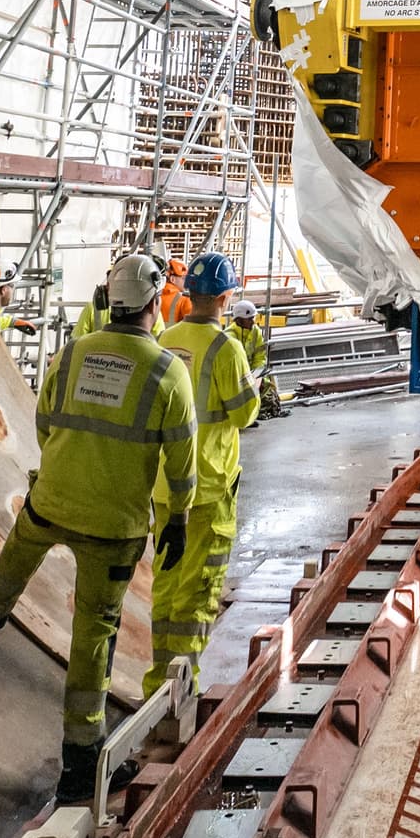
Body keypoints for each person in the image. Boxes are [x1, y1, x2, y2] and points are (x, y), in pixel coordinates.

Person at [0, 248, 197, 804]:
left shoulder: (72, 354)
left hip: (53, 499)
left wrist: (68, 470)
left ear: (110, 300)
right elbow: (181, 464)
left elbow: (44, 422)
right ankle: (81, 762)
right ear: (155, 303)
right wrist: (176, 518)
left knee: (16, 556)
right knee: (93, 635)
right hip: (115, 528)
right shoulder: (167, 374)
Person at [146, 254, 264, 703]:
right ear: (224, 298)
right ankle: (182, 690)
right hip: (210, 484)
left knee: (167, 582)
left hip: (165, 484)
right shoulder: (226, 347)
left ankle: (159, 681)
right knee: (198, 590)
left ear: (189, 295)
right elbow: (244, 413)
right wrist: (250, 385)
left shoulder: (166, 337)